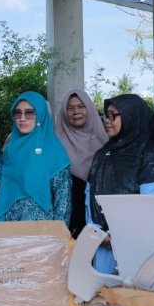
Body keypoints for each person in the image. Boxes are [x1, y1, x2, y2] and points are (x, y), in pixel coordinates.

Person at [87, 94, 154, 274]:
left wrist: (120, 236)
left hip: (138, 243)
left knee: (133, 290)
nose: (107, 120)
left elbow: (152, 206)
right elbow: (89, 196)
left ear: (131, 117)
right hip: (103, 243)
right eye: (106, 115)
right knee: (102, 288)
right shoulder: (103, 154)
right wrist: (97, 233)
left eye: (113, 116)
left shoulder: (150, 155)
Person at [0, 91, 72, 223]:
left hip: (42, 229)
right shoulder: (10, 150)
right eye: (17, 113)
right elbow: (4, 192)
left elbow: (63, 202)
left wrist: (59, 232)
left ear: (40, 114)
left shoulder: (54, 151)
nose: (22, 118)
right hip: (9, 226)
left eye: (29, 113)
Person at [54, 89, 107, 237]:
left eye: (81, 106)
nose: (76, 112)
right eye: (70, 108)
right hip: (68, 220)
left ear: (89, 108)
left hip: (100, 220)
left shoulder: (105, 141)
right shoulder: (54, 145)